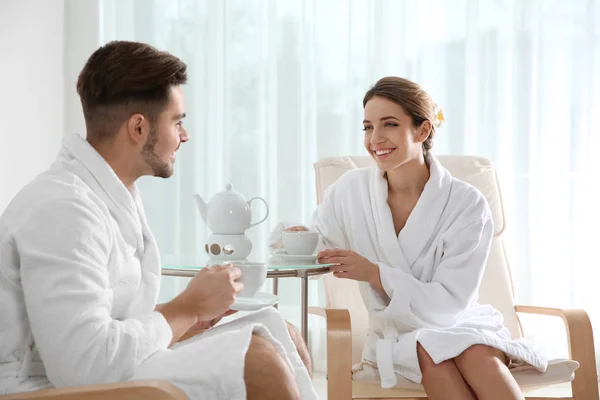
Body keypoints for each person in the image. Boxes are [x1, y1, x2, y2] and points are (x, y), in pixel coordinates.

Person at [0, 41, 316, 400]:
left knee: (277, 332)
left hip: (95, 369)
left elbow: (107, 325)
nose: (185, 136)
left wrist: (189, 314)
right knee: (258, 363)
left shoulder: (107, 195)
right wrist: (188, 306)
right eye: (177, 122)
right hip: (39, 390)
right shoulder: (63, 208)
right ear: (138, 128)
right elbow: (81, 365)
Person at [277, 77, 547, 399]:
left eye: (389, 124)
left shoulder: (466, 203)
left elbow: (449, 306)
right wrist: (296, 237)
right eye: (367, 127)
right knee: (429, 351)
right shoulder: (351, 191)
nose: (375, 138)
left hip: (461, 321)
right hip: (397, 335)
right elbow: (320, 244)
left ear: (423, 130)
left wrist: (376, 274)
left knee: (475, 353)